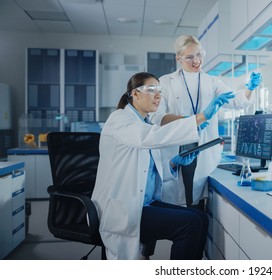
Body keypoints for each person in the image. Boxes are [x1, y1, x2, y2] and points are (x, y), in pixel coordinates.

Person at [91, 72, 225, 260]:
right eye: (151, 90)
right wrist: (198, 118)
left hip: (144, 203)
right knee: (191, 224)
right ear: (134, 94)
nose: (157, 95)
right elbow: (149, 138)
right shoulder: (119, 119)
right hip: (123, 209)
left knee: (199, 217)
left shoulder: (143, 123)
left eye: (159, 91)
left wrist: (173, 164)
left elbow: (147, 169)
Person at [151, 34, 262, 210]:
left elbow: (236, 101)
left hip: (203, 149)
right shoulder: (165, 82)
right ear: (178, 58)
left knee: (199, 205)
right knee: (175, 203)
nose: (196, 61)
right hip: (176, 148)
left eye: (199, 54)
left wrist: (249, 88)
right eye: (189, 57)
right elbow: (157, 117)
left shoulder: (212, 81)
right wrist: (189, 121)